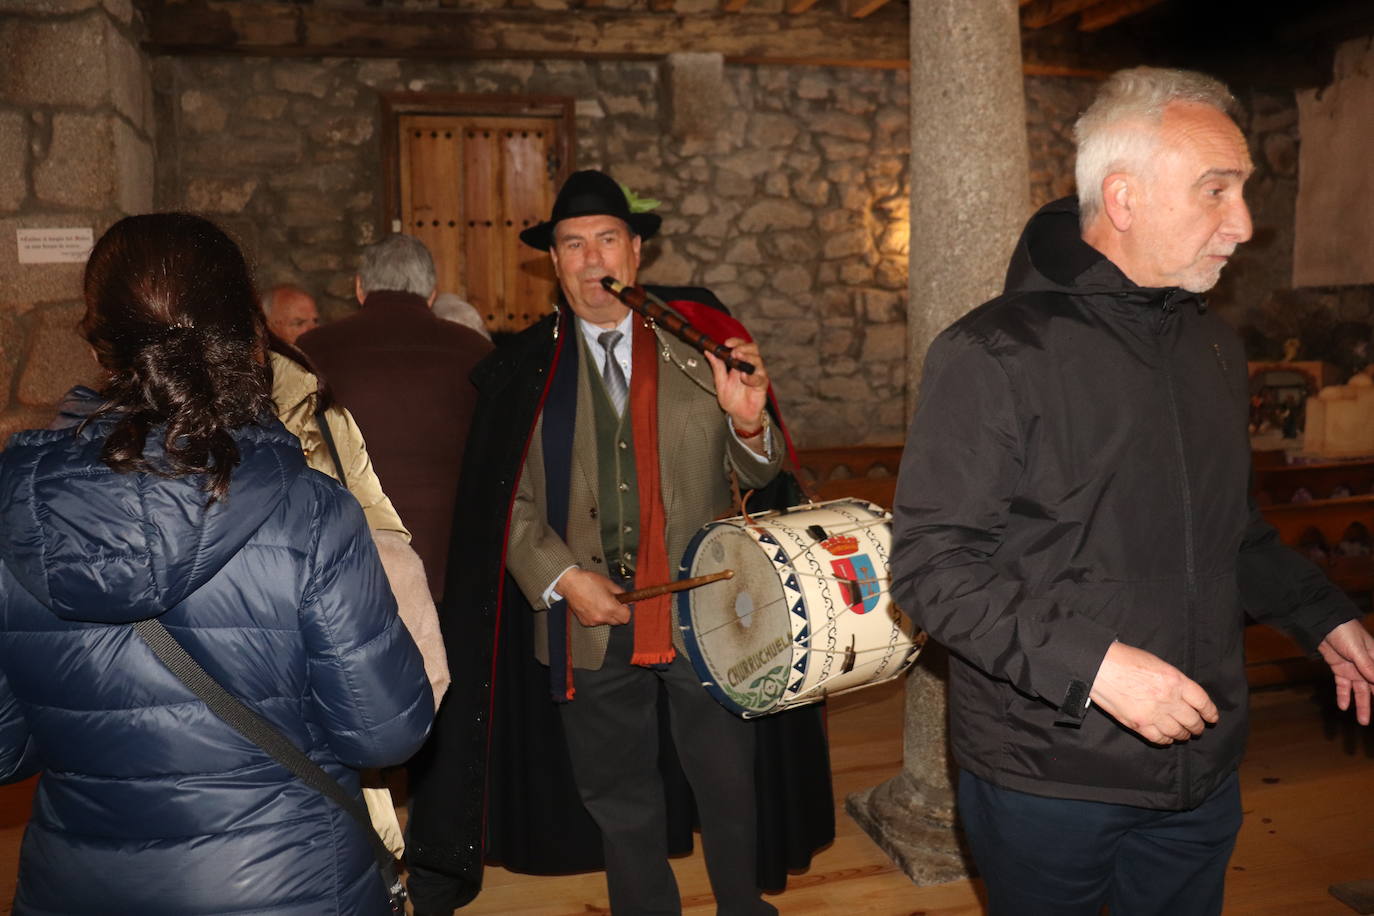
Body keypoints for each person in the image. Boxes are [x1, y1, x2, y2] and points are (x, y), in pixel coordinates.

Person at [890, 66, 1374, 916]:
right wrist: (1097, 669)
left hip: (1200, 762)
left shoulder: (1215, 349)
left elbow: (1236, 532)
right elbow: (932, 569)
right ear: (1124, 198)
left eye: (1242, 191)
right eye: (1216, 192)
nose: (1245, 226)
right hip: (1051, 771)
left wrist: (1320, 613)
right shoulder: (993, 353)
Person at [406, 170, 834, 915]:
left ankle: (742, 906)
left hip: (705, 616)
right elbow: (504, 506)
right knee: (620, 799)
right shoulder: (522, 371)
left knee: (729, 786)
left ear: (636, 253)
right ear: (556, 263)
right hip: (586, 622)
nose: (591, 258)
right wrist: (564, 578)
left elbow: (761, 477)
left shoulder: (698, 351)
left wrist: (746, 423)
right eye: (573, 244)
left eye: (607, 239)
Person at [0, 212, 434, 914]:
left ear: (99, 335)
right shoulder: (309, 509)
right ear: (245, 331)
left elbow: (4, 748)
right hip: (289, 879)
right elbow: (386, 728)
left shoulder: (12, 508)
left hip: (80, 883)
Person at [298, 235, 492, 600]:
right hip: (451, 566)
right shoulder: (478, 353)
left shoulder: (310, 352)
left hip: (344, 564)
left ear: (359, 287)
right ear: (432, 293)